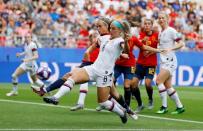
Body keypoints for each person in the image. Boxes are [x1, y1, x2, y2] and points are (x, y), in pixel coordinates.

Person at [35, 19, 134, 123]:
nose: (111, 30)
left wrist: (126, 43)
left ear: (119, 31)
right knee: (71, 77)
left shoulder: (120, 40)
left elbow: (125, 49)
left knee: (103, 102)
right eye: (110, 28)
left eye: (113, 28)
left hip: (105, 74)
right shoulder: (103, 38)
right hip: (93, 68)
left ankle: (122, 113)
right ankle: (55, 97)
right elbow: (101, 48)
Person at [156, 12, 185, 114]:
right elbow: (161, 48)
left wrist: (171, 48)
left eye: (163, 18)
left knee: (158, 80)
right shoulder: (160, 32)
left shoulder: (171, 30)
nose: (161, 20)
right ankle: (180, 106)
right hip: (163, 62)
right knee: (168, 86)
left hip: (170, 61)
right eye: (159, 18)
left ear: (167, 19)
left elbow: (181, 43)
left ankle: (164, 107)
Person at [131, 19, 159, 112]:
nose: (147, 25)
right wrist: (142, 40)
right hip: (140, 63)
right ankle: (140, 104)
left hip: (151, 64)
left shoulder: (157, 35)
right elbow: (138, 43)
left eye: (148, 24)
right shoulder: (141, 35)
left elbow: (158, 48)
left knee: (148, 83)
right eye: (145, 24)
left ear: (151, 25)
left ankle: (150, 99)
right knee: (133, 84)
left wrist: (150, 52)